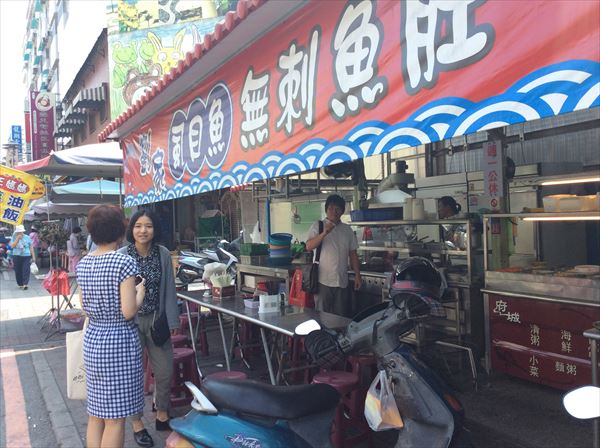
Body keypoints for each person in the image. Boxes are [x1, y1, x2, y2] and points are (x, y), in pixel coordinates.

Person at [77, 205, 146, 448]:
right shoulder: (123, 262)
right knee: (115, 418)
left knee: (96, 413)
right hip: (118, 342)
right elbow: (128, 311)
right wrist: (140, 292)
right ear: (120, 231)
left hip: (94, 338)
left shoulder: (83, 263)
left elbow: (84, 307)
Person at [118, 209, 179, 448]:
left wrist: (173, 321)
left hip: (156, 321)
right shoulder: (122, 256)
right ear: (131, 229)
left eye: (148, 226)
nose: (143, 230)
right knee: (131, 374)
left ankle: (162, 413)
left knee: (164, 370)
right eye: (138, 226)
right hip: (130, 323)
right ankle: (137, 424)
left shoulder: (162, 253)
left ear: (155, 229)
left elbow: (170, 289)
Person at [306, 194, 362, 317]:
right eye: (331, 208)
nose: (334, 212)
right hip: (322, 281)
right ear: (326, 209)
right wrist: (324, 233)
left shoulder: (347, 230)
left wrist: (358, 275)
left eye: (337, 209)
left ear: (342, 211)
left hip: (341, 281)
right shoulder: (318, 226)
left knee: (340, 317)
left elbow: (353, 254)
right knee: (322, 316)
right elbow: (309, 246)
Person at [9, 225, 36, 290]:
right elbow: (12, 246)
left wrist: (33, 257)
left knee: (26, 270)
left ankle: (25, 284)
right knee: (18, 270)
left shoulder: (27, 237)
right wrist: (17, 239)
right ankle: (20, 283)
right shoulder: (14, 237)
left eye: (21, 231)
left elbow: (31, 247)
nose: (20, 233)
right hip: (16, 255)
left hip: (26, 255)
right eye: (18, 231)